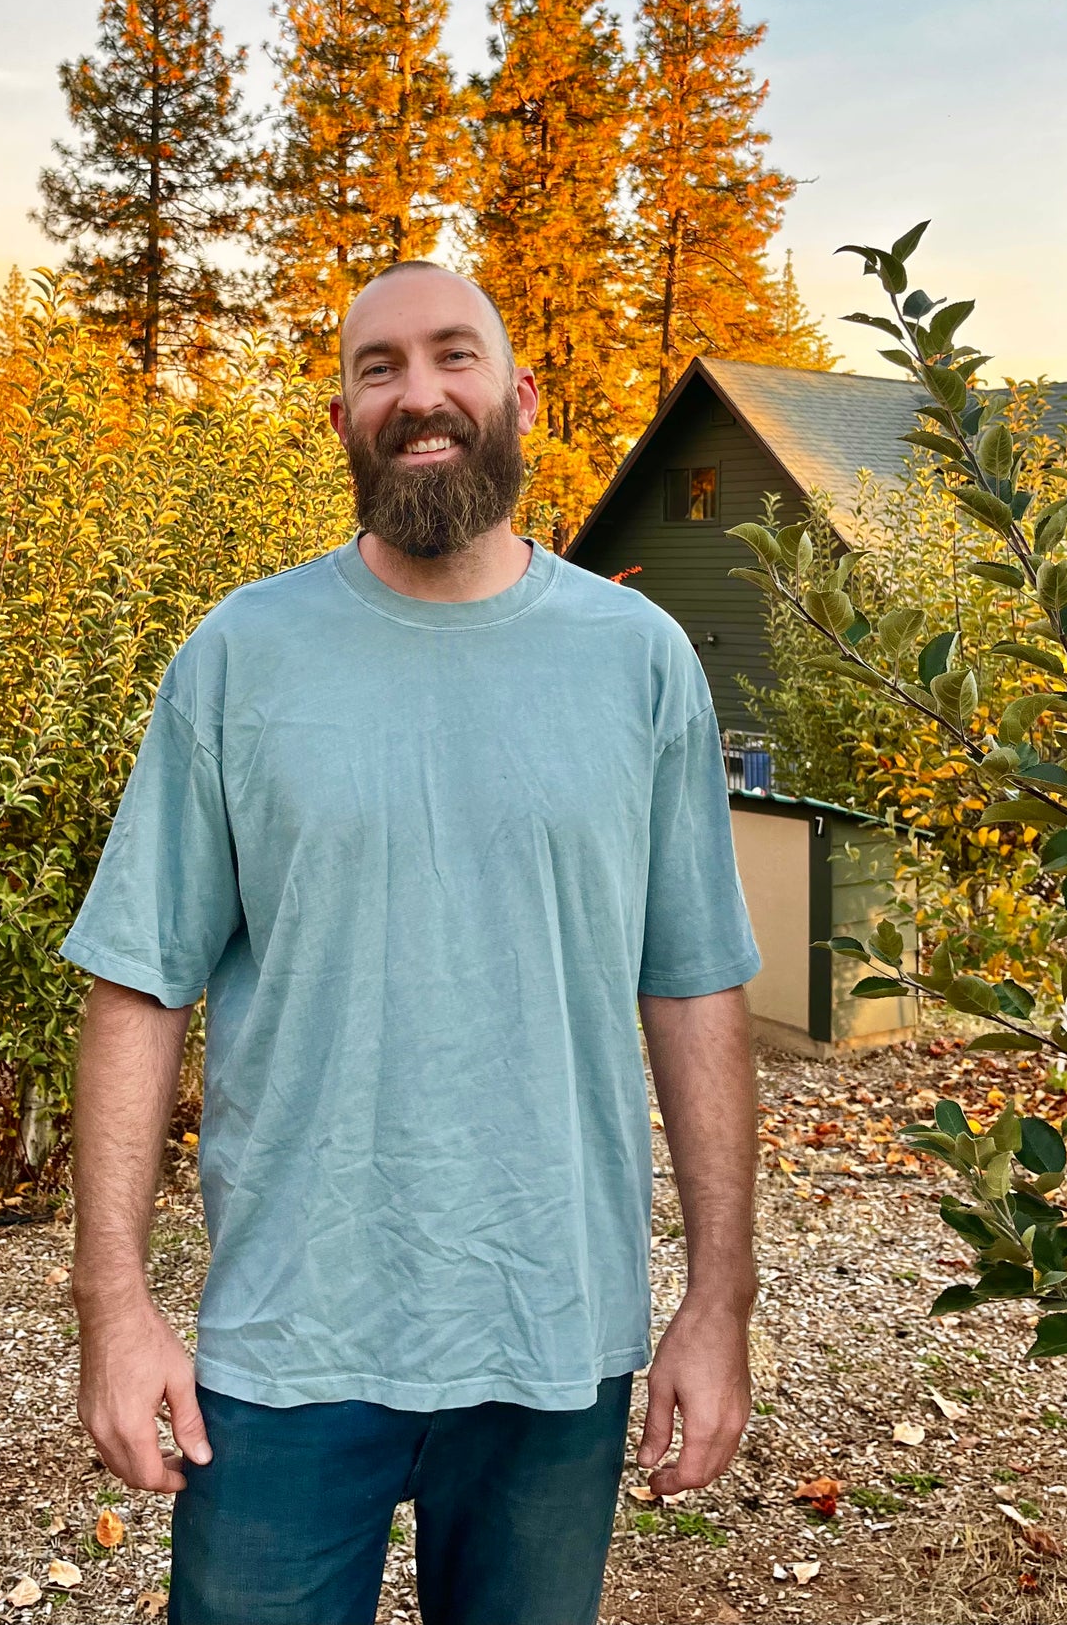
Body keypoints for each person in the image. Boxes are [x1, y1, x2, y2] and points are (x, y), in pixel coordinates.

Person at [62, 261, 762, 1625]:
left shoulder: (639, 660)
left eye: (452, 356)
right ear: (340, 418)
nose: (418, 393)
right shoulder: (239, 656)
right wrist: (115, 1304)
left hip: (554, 1336)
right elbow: (138, 984)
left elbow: (694, 988)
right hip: (284, 1347)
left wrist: (717, 1302)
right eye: (378, 367)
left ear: (520, 396)